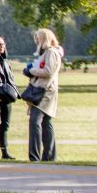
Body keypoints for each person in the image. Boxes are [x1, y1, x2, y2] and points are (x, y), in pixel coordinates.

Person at [24, 28, 63, 162]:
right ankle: (49, 156)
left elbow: (48, 71)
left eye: (38, 39)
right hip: (44, 91)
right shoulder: (46, 53)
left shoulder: (51, 53)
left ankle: (34, 156)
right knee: (46, 123)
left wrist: (31, 70)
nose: (36, 42)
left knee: (35, 122)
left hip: (44, 93)